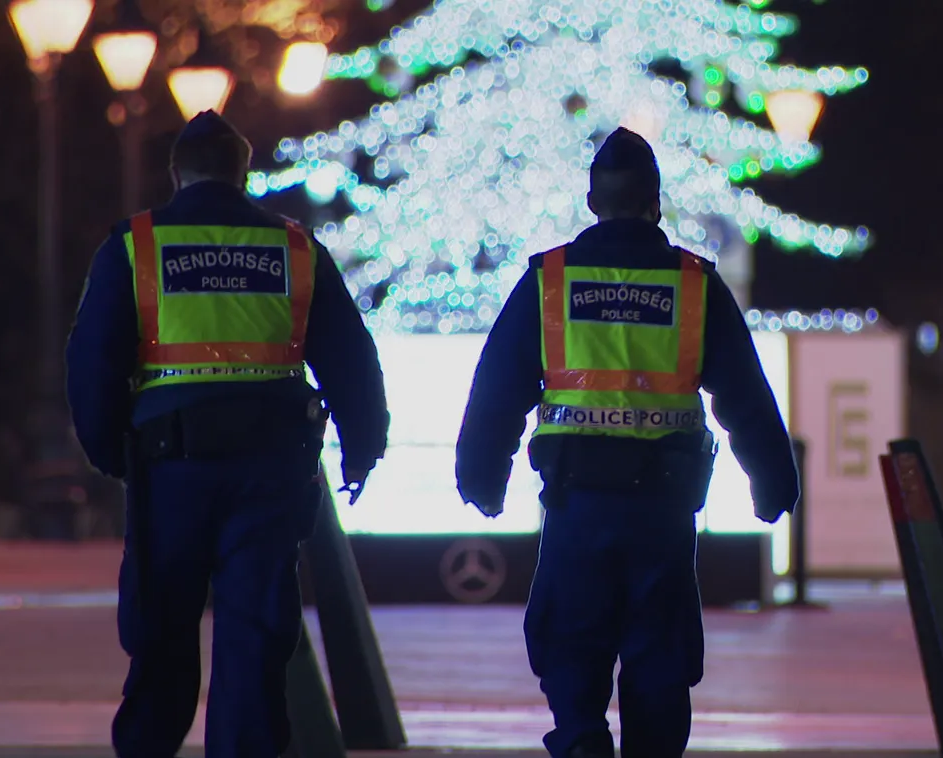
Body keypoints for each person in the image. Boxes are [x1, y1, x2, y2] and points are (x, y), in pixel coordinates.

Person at [455, 127, 799, 758]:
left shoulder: (550, 281)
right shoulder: (695, 287)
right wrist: (773, 484)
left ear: (592, 202)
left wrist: (481, 476)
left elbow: (497, 388)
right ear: (656, 202)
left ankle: (583, 740)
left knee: (571, 642)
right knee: (660, 655)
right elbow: (746, 399)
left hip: (576, 505)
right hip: (662, 514)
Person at [66, 110, 389, 758]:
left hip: (170, 472)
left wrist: (109, 453)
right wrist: (361, 448)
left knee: (161, 634)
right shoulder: (296, 249)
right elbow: (352, 360)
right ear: (243, 172)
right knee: (254, 636)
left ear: (176, 173)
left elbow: (92, 360)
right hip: (270, 473)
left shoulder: (135, 245)